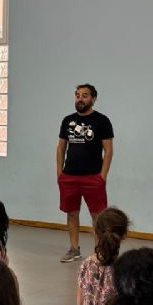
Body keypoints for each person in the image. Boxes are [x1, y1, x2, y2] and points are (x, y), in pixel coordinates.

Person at [56, 84, 114, 263]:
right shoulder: (67, 120)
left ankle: (100, 252)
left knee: (98, 215)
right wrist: (60, 173)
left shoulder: (102, 121)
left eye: (85, 96)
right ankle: (74, 249)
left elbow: (108, 150)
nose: (80, 99)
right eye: (77, 95)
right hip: (69, 177)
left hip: (93, 177)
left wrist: (102, 176)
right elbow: (60, 148)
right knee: (72, 213)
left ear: (93, 99)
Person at [77, 206, 129, 305]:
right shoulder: (125, 268)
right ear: (125, 235)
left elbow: (80, 301)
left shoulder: (87, 264)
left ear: (95, 232)